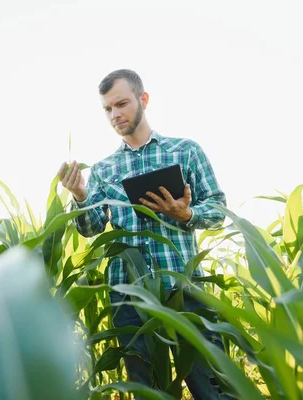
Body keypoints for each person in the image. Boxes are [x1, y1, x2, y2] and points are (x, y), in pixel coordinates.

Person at [58, 69, 231, 399]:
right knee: (148, 393)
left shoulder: (185, 151)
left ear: (143, 100)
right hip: (129, 296)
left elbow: (218, 210)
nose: (115, 115)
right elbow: (92, 228)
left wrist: (187, 213)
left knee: (212, 390)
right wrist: (80, 196)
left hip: (184, 288)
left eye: (121, 104)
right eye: (107, 109)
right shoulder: (105, 169)